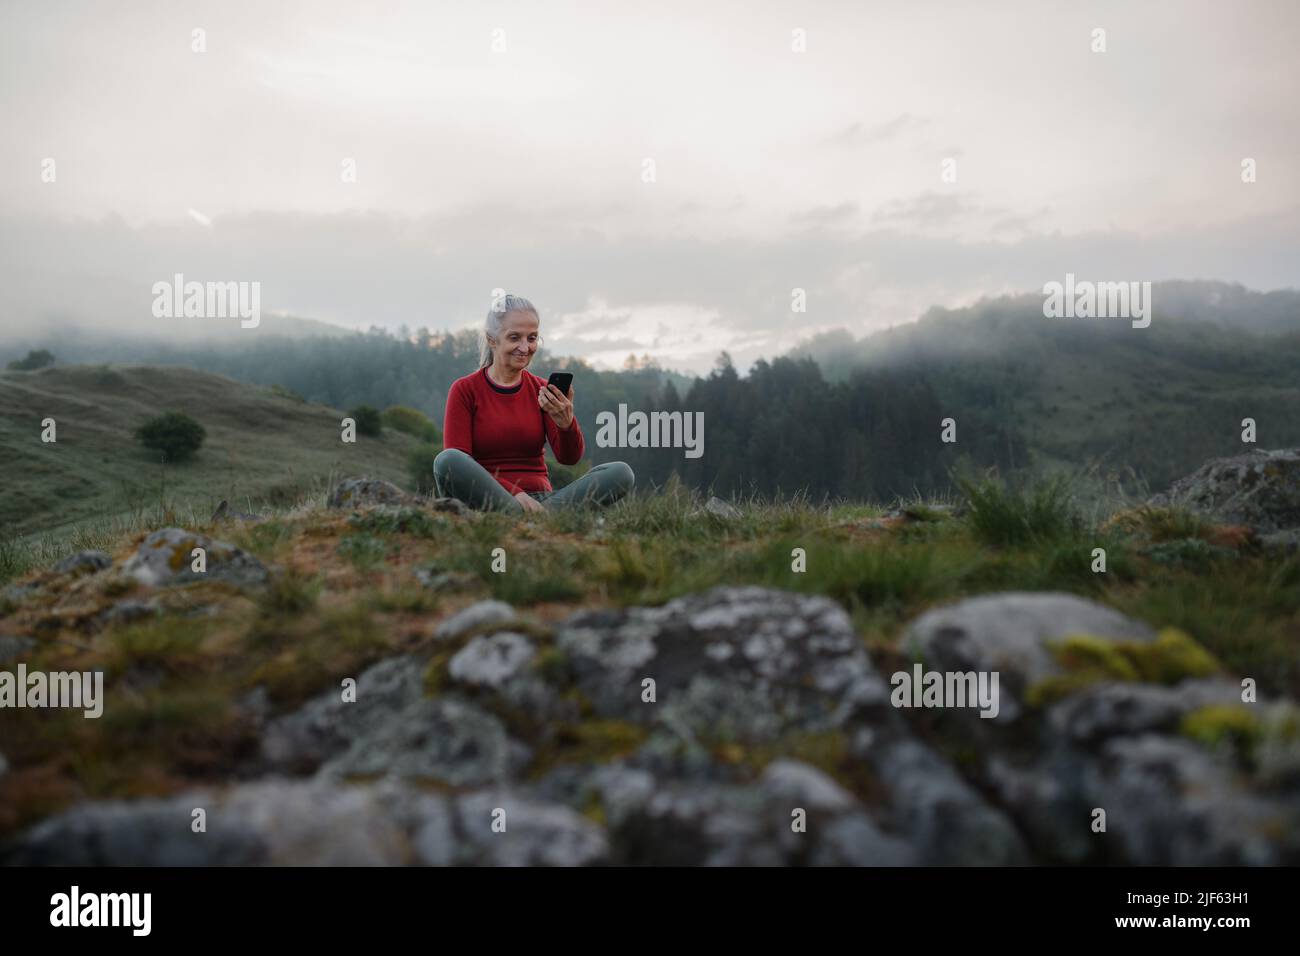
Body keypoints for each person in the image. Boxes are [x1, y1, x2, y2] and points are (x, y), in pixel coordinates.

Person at [433, 294, 635, 513]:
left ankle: (540, 515)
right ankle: (536, 516)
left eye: (531, 338)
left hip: (543, 499)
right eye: (514, 338)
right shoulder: (465, 390)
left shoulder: (543, 390)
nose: (525, 347)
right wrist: (514, 494)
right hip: (491, 496)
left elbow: (569, 458)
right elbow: (458, 459)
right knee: (447, 460)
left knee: (621, 472)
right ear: (492, 339)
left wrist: (566, 424)